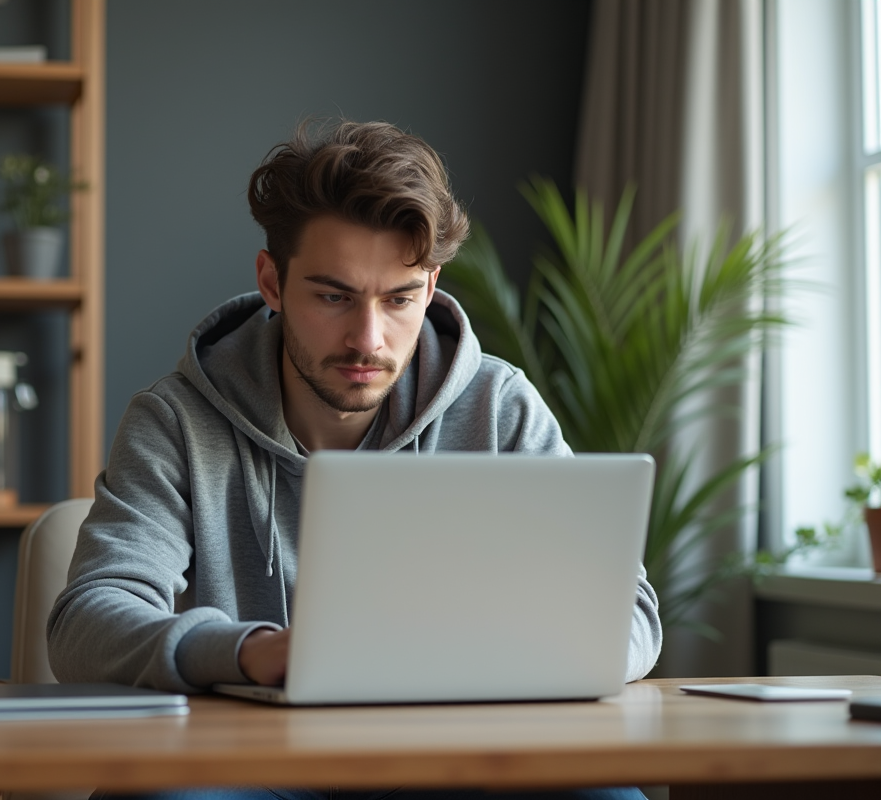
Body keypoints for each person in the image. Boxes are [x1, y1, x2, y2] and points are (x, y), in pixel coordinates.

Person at [47, 120, 662, 800]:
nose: (367, 339)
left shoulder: (499, 407)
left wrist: (524, 661)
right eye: (334, 297)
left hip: (463, 770)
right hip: (253, 773)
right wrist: (249, 651)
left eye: (398, 300)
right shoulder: (177, 420)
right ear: (272, 282)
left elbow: (629, 613)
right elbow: (87, 622)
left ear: (430, 287)